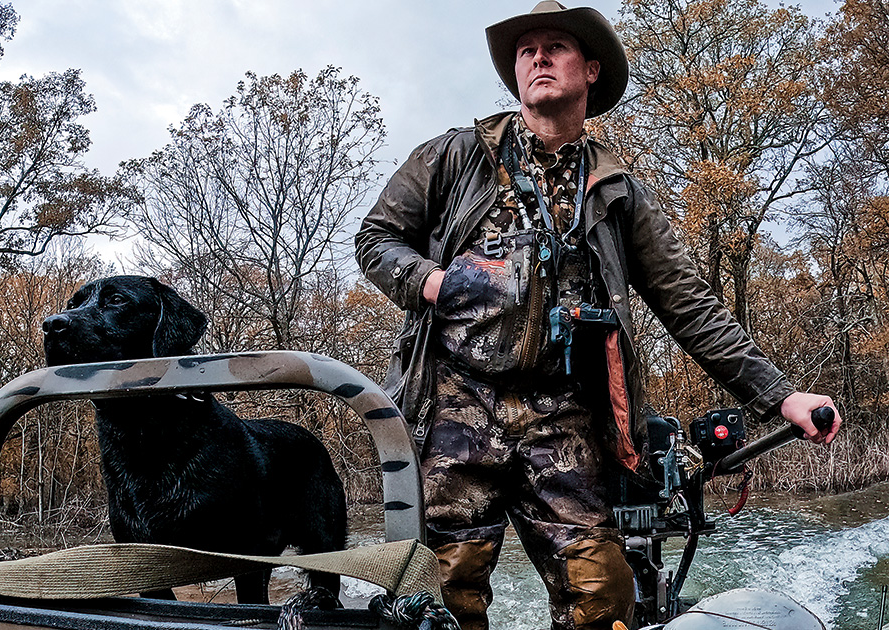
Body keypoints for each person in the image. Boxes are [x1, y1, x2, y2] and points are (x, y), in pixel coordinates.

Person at [354, 2, 843, 629]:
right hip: (455, 406)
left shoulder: (619, 193)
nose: (536, 58)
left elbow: (688, 303)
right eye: (525, 50)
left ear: (589, 70)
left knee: (603, 594)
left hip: (564, 416)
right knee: (445, 596)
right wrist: (434, 282)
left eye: (553, 47)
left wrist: (781, 397)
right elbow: (377, 238)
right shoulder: (454, 157)